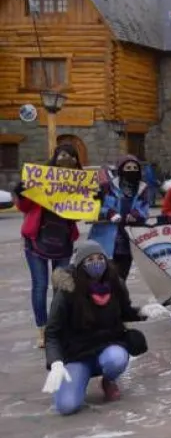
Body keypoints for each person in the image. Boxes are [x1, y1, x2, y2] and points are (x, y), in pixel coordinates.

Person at [42, 240, 168, 415]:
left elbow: (125, 312)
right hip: (77, 354)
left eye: (99, 258)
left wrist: (143, 311)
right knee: (67, 406)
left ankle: (109, 380)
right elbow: (52, 332)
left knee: (116, 359)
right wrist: (56, 362)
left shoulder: (115, 283)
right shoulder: (68, 290)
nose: (96, 263)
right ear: (80, 265)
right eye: (89, 260)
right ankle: (78, 379)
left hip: (107, 346)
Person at [17, 144, 84, 348]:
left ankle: (58, 327)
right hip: (36, 239)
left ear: (76, 161)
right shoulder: (40, 179)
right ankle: (43, 330)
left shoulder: (79, 184)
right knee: (40, 285)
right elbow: (24, 207)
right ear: (54, 157)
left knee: (61, 286)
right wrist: (22, 193)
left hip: (63, 242)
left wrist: (94, 198)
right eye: (62, 154)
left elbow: (81, 212)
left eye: (71, 155)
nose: (66, 158)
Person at [89, 155, 153, 286]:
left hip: (127, 240)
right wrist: (109, 213)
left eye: (135, 167)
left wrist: (136, 214)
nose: (131, 170)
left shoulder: (142, 188)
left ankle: (119, 304)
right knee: (103, 278)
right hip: (106, 239)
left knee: (121, 279)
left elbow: (144, 208)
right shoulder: (107, 186)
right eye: (128, 167)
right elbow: (95, 206)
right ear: (121, 169)